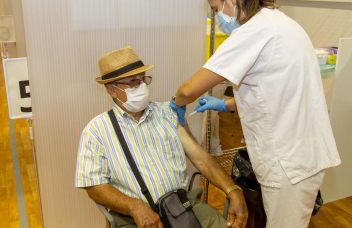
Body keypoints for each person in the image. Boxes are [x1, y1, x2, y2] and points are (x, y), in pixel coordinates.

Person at [170, 0, 341, 228]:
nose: (218, 17)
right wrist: (224, 103)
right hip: (302, 152)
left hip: (288, 160)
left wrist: (176, 104)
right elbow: (275, 92)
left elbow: (189, 89)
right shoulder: (279, 21)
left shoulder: (254, 31)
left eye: (216, 9)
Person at [75, 46, 248, 228]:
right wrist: (134, 207)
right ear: (112, 90)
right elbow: (94, 186)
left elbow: (201, 158)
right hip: (133, 217)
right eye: (133, 82)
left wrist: (233, 190)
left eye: (143, 79)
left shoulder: (168, 113)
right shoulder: (96, 131)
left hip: (182, 206)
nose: (142, 86)